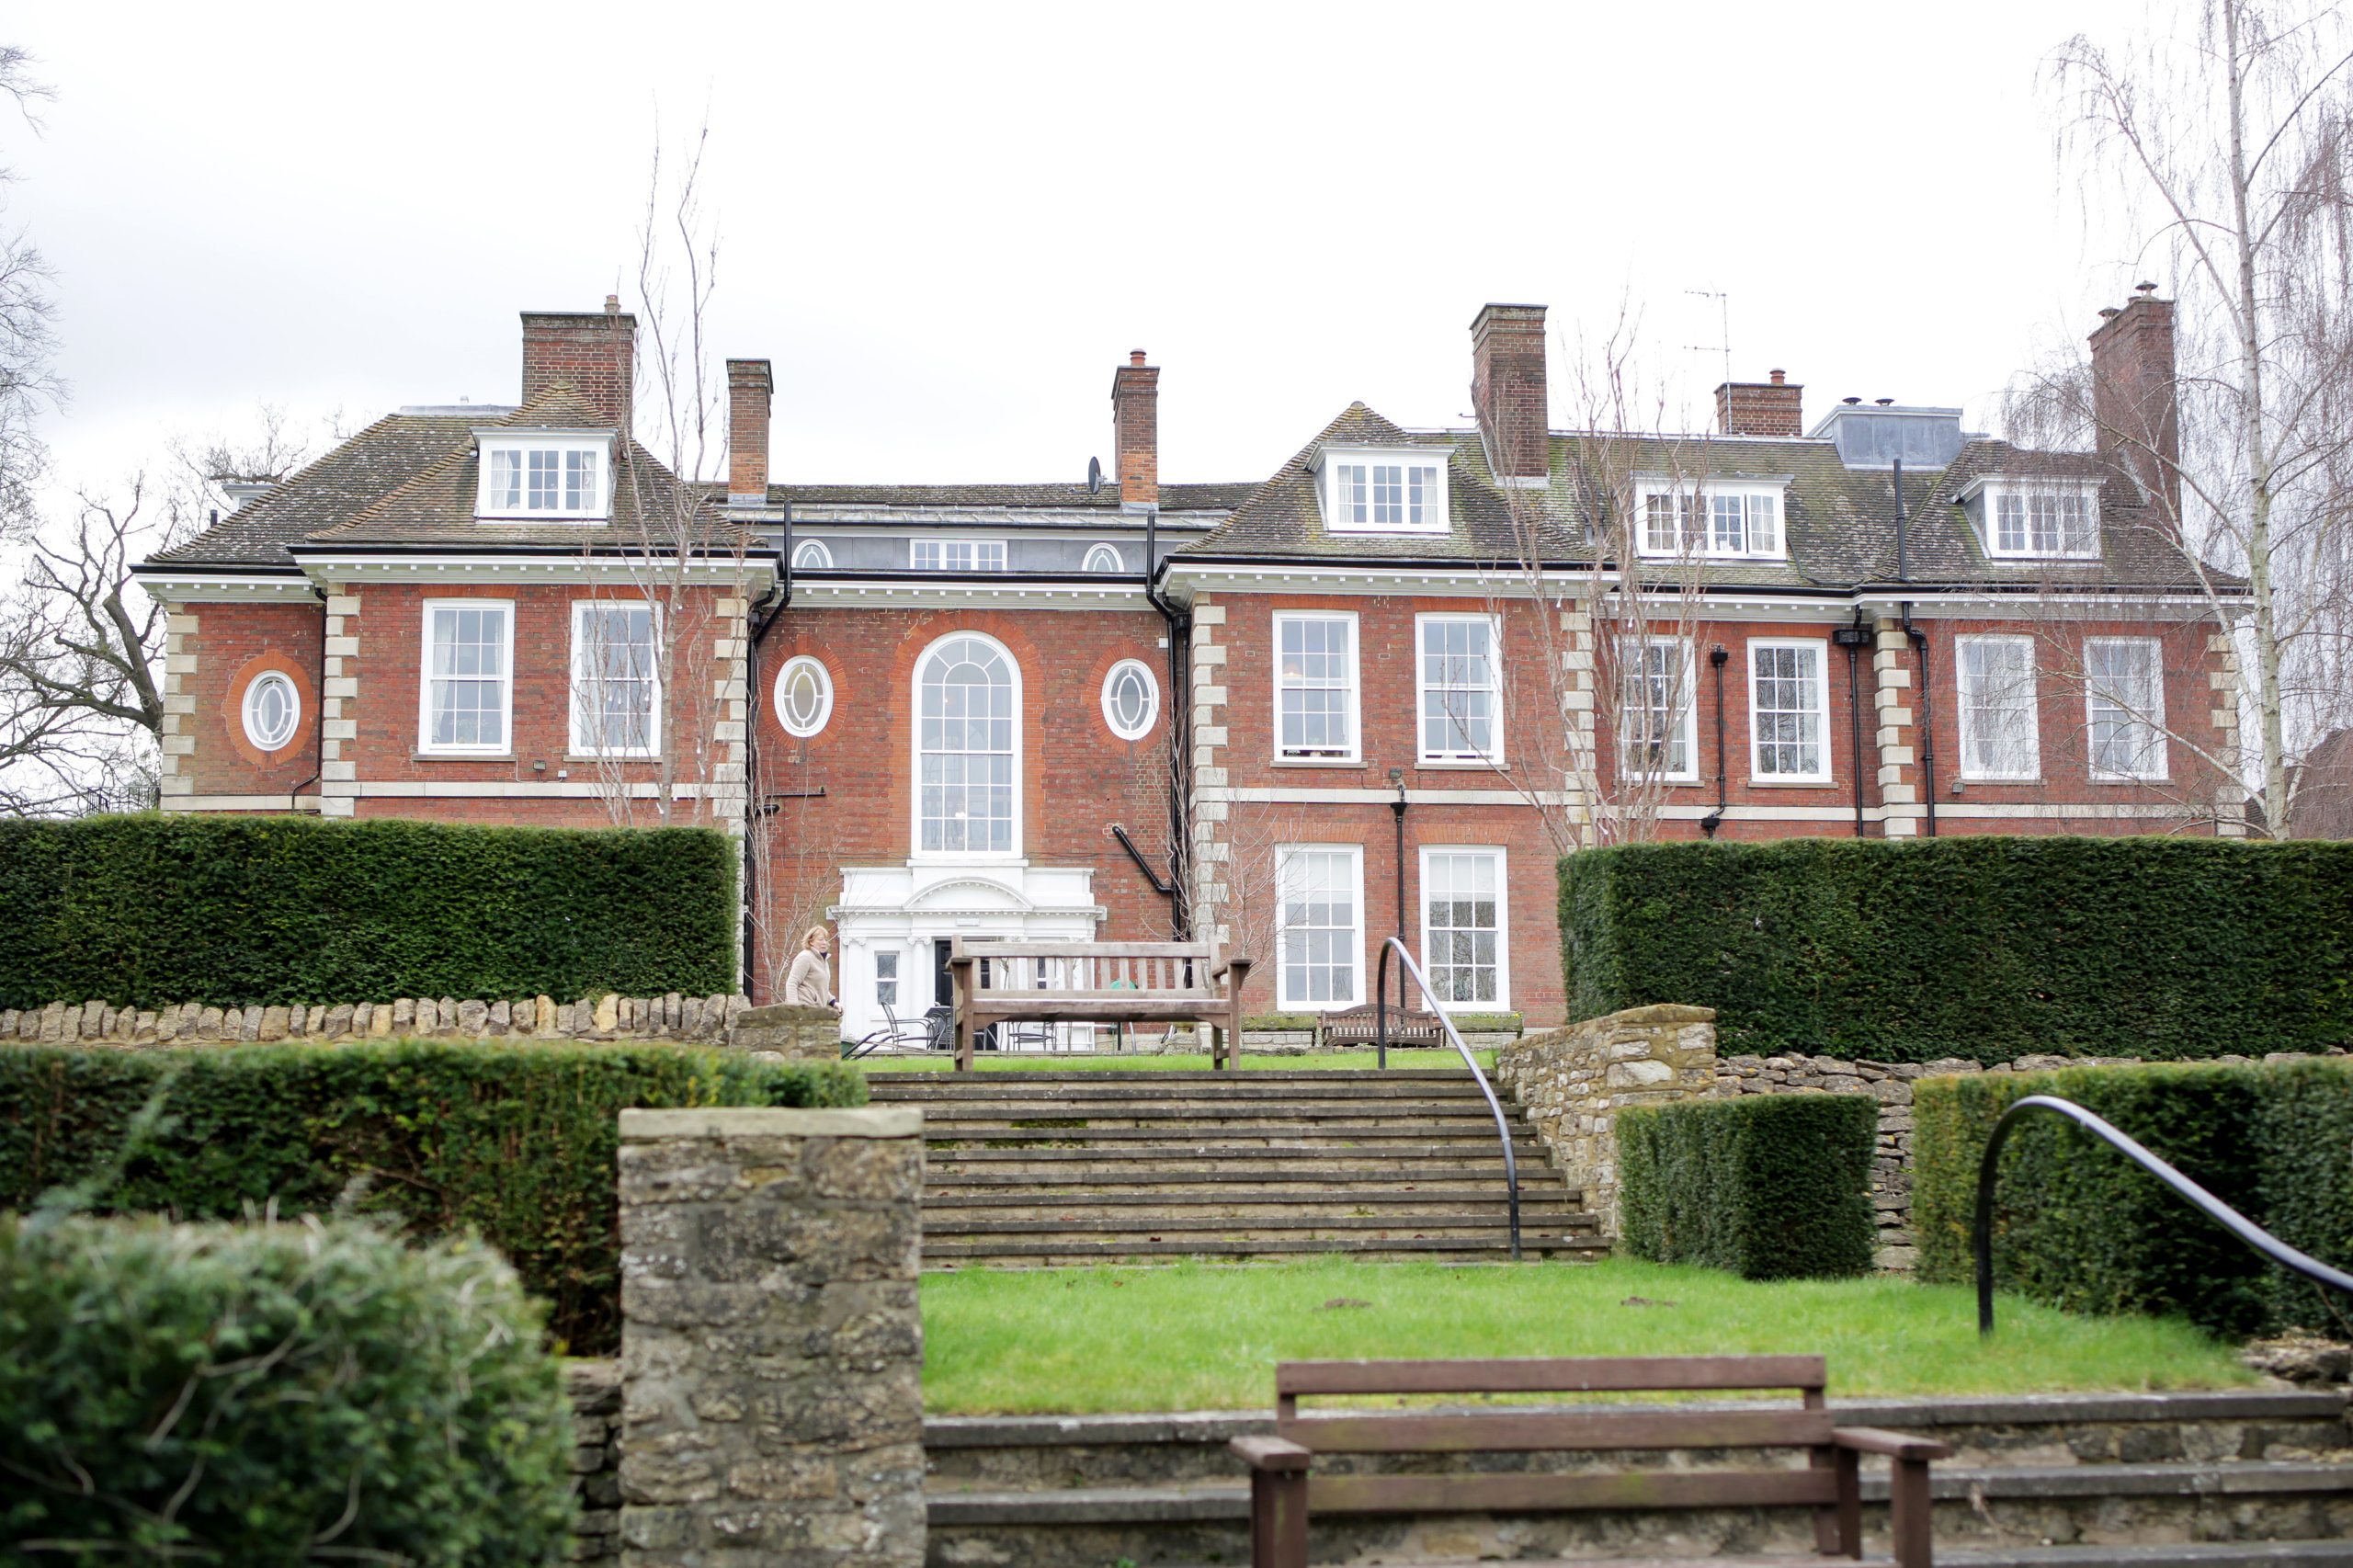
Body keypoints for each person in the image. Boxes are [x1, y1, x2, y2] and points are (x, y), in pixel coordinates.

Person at [787, 926, 835, 1009]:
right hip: (804, 1009)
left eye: (826, 940)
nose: (824, 943)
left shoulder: (823, 960)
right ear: (811, 941)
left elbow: (820, 988)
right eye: (820, 939)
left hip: (817, 1010)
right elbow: (792, 983)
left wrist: (833, 1002)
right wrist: (794, 1009)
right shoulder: (805, 957)